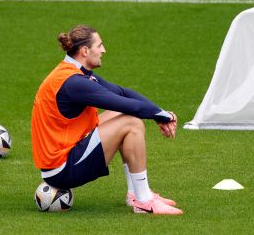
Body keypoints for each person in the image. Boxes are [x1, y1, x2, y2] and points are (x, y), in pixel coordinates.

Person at [31, 25, 183, 215]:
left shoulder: (73, 74)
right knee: (131, 122)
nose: (104, 50)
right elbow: (126, 104)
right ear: (85, 51)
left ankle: (135, 194)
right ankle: (144, 201)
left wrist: (159, 113)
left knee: (125, 117)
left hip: (64, 155)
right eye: (99, 45)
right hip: (62, 170)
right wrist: (165, 116)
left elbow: (122, 93)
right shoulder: (74, 83)